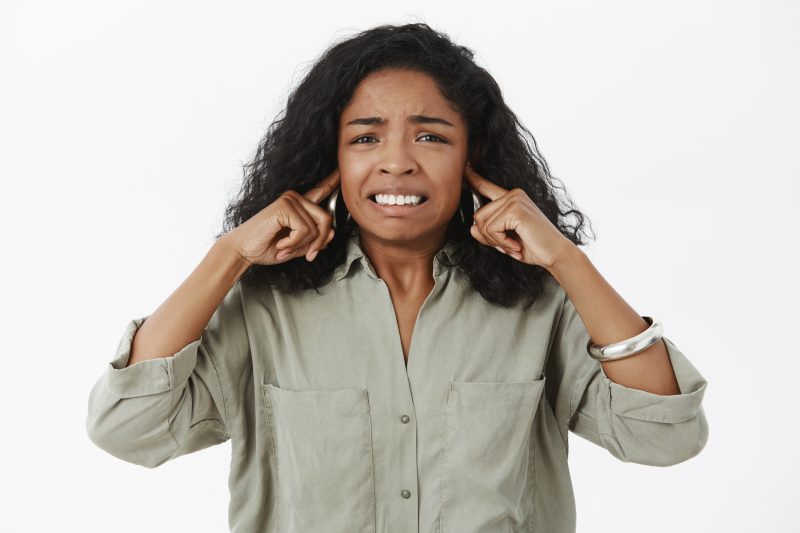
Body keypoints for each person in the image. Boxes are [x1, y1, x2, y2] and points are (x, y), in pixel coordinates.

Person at [86, 22, 709, 533]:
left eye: (431, 136)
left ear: (473, 160)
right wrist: (229, 255)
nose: (396, 162)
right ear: (331, 159)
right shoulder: (263, 306)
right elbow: (127, 429)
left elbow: (666, 436)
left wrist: (567, 261)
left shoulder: (539, 301)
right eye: (365, 137)